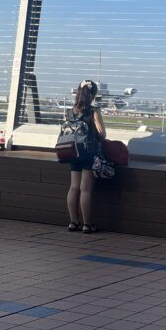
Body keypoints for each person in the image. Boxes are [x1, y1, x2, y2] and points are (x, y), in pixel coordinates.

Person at [66, 79, 107, 233]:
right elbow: (102, 134)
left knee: (73, 188)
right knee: (85, 190)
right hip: (88, 152)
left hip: (72, 151)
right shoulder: (93, 111)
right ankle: (87, 224)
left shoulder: (71, 111)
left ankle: (73, 222)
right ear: (93, 94)